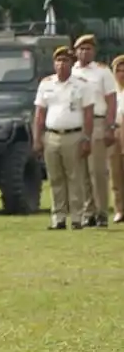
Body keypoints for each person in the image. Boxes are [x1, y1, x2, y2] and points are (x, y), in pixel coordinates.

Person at [33, 45, 95, 230]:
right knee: (55, 178)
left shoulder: (81, 84)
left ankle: (76, 217)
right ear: (54, 63)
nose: (61, 64)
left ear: (71, 63)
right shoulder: (46, 84)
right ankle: (58, 217)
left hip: (73, 135)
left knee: (74, 177)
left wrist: (86, 138)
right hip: (51, 135)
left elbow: (89, 113)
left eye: (66, 60)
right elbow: (39, 114)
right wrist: (37, 138)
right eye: (58, 60)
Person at [69, 34, 116, 226]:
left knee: (97, 170)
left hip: (97, 121)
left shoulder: (102, 72)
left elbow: (111, 100)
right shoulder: (70, 72)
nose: (84, 52)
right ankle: (88, 212)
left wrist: (110, 126)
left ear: (94, 51)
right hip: (76, 123)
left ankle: (102, 212)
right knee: (80, 172)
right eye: (81, 48)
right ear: (75, 51)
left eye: (88, 48)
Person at [110, 53, 124, 223]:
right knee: (116, 172)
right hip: (114, 130)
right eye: (118, 70)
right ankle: (120, 209)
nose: (121, 74)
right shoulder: (112, 91)